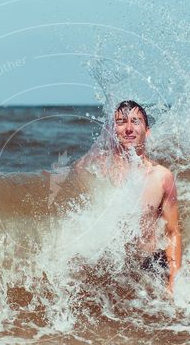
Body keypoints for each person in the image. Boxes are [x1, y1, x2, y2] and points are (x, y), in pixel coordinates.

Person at [76, 100, 182, 294]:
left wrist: (173, 281)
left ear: (147, 130)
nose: (129, 128)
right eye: (121, 122)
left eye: (136, 121)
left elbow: (172, 232)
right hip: (110, 267)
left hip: (148, 266)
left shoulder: (162, 177)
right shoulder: (96, 167)